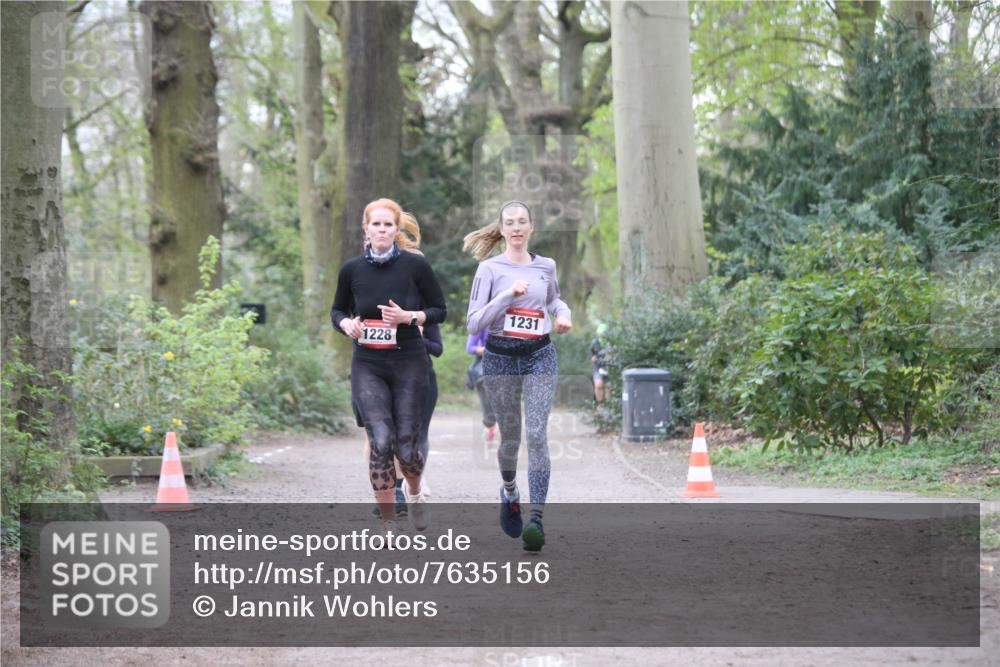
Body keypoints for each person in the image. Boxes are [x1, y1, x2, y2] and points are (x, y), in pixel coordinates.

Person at [331, 198, 446, 532]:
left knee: (407, 448)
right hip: (368, 363)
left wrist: (409, 317)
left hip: (409, 362)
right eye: (376, 224)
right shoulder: (351, 270)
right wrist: (346, 324)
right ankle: (388, 522)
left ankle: (414, 493)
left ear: (397, 230)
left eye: (388, 225)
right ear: (366, 229)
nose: (381, 230)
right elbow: (337, 310)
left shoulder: (415, 266)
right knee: (380, 441)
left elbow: (439, 310)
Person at [464, 200, 572, 552]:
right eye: (509, 222)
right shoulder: (489, 270)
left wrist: (564, 314)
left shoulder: (546, 266)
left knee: (537, 434)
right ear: (502, 229)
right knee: (510, 439)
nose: (516, 227)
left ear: (531, 227)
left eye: (522, 221)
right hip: (500, 358)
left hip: (539, 354)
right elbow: (474, 323)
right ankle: (510, 492)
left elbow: (554, 301)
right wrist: (507, 296)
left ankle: (536, 518)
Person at [466, 328, 498, 443]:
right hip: (485, 367)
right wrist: (488, 350)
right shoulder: (482, 323)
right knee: (487, 399)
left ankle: (503, 428)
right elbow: (470, 347)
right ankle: (490, 425)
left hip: (507, 366)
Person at [590, 323, 610, 403]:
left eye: (603, 333)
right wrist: (596, 358)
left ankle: (609, 405)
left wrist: (610, 357)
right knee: (598, 385)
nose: (602, 335)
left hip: (609, 367)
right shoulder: (594, 343)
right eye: (600, 333)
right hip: (598, 367)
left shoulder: (611, 342)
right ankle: (600, 405)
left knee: (609, 387)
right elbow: (592, 357)